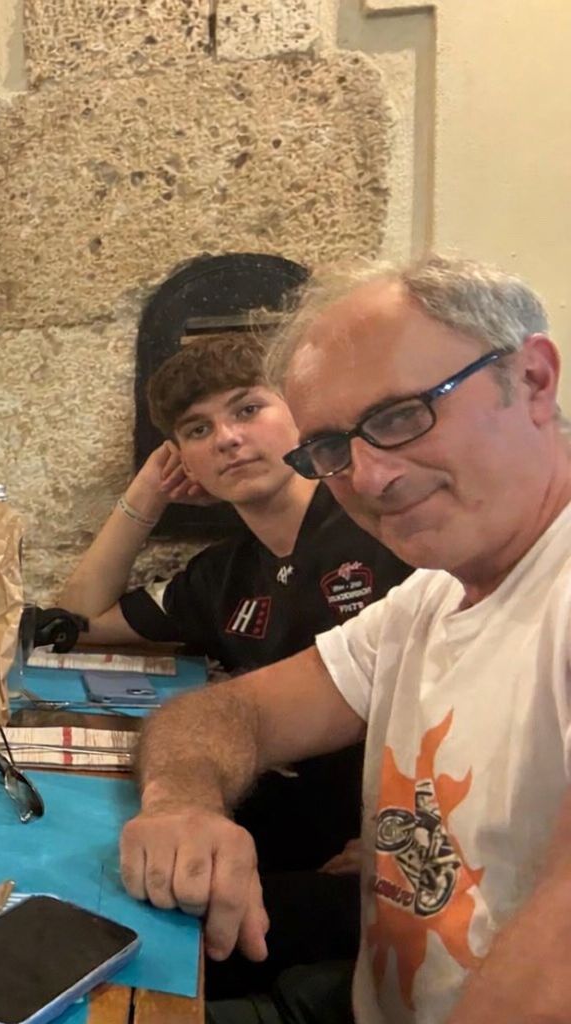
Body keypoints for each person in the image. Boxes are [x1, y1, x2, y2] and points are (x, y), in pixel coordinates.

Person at [118, 255, 571, 1024]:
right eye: (330, 447)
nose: (368, 477)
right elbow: (231, 713)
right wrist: (182, 802)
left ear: (531, 379)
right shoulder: (430, 596)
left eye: (399, 417)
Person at [58, 334, 412, 996]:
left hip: (374, 862)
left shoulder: (385, 528)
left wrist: (411, 835)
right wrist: (148, 494)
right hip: (274, 827)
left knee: (136, 947)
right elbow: (73, 620)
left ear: (299, 417)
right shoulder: (222, 574)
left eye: (248, 410)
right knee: (87, 881)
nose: (227, 438)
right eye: (197, 430)